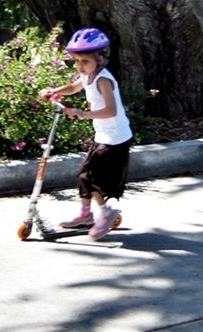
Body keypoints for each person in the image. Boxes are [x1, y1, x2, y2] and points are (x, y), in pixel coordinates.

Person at [38, 27, 132, 240]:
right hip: (103, 135)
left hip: (115, 138)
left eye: (85, 61)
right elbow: (73, 87)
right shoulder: (87, 75)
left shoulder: (103, 80)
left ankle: (107, 213)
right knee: (84, 176)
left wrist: (82, 113)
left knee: (91, 177)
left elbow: (111, 110)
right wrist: (55, 91)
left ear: (100, 58)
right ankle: (85, 214)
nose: (80, 66)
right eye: (77, 61)